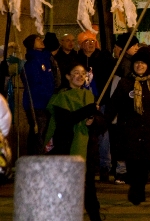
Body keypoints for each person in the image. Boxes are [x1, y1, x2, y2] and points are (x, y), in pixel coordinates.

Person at [45, 60, 106, 221]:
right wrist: (88, 110)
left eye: (83, 74)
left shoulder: (89, 96)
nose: (80, 76)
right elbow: (66, 121)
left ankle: (95, 216)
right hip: (67, 148)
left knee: (89, 188)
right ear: (68, 76)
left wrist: (93, 121)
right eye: (76, 73)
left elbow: (101, 122)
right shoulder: (61, 97)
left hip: (88, 149)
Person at [108, 47, 150, 205]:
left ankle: (139, 189)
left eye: (143, 63)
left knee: (145, 163)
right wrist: (104, 120)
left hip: (149, 130)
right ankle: (135, 190)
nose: (139, 66)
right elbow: (114, 105)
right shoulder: (125, 83)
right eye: (137, 63)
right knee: (133, 163)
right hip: (130, 130)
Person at [77, 30, 115, 181]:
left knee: (103, 135)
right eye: (87, 42)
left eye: (93, 41)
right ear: (81, 45)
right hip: (83, 103)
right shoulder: (77, 60)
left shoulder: (103, 59)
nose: (90, 44)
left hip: (100, 101)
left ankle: (105, 166)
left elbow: (111, 73)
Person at [21, 34, 55, 155]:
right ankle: (35, 159)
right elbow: (36, 83)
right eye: (37, 39)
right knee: (38, 134)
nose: (41, 40)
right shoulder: (32, 62)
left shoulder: (46, 59)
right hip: (37, 103)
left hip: (46, 103)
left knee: (43, 134)